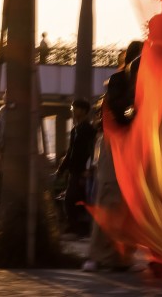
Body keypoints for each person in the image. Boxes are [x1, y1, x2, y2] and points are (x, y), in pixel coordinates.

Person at [83, 40, 143, 272]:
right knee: (109, 197)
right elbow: (120, 111)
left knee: (129, 203)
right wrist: (134, 111)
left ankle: (121, 256)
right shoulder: (119, 81)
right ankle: (98, 255)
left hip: (134, 146)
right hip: (115, 145)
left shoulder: (148, 82)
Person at [56, 98, 96, 237]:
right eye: (72, 109)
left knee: (73, 199)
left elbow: (92, 151)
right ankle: (74, 227)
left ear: (84, 111)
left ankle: (78, 229)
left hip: (83, 172)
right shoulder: (75, 130)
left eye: (75, 109)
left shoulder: (89, 130)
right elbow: (70, 152)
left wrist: (89, 169)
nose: (73, 111)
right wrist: (61, 169)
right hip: (74, 171)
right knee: (71, 199)